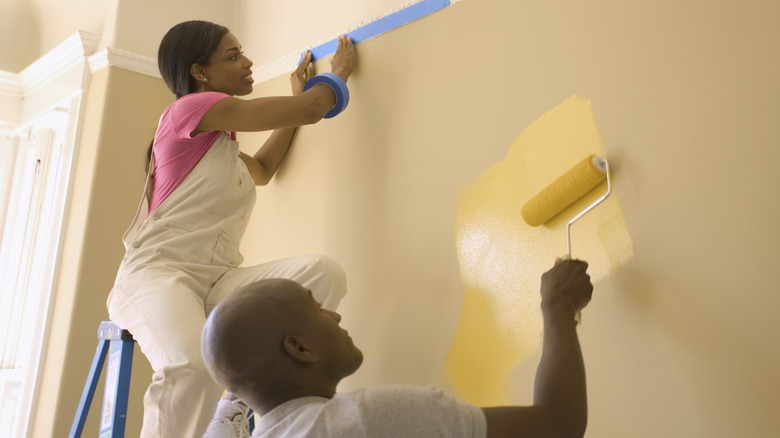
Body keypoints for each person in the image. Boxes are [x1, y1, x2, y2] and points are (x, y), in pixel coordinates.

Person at [106, 20, 356, 437]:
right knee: (190, 363)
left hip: (217, 281)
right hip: (158, 275)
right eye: (233, 56)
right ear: (200, 73)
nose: (248, 62)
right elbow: (314, 109)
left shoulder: (221, 143)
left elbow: (262, 169)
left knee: (321, 272)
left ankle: (236, 405)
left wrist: (298, 103)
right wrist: (339, 75)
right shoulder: (188, 110)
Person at [201, 258, 594, 438]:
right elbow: (559, 425)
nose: (335, 318)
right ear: (300, 349)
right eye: (318, 308)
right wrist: (558, 307)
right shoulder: (368, 420)